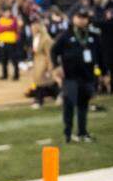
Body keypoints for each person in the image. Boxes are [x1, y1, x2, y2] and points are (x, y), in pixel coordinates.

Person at [51, 9, 102, 143]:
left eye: (84, 17)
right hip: (70, 77)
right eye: (79, 17)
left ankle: (82, 132)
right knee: (68, 106)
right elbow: (53, 51)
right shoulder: (66, 35)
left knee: (83, 106)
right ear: (73, 18)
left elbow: (99, 55)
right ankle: (67, 134)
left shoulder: (92, 35)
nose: (82, 20)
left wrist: (102, 72)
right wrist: (56, 67)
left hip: (87, 76)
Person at [29, 21, 57, 109]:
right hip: (37, 62)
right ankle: (55, 96)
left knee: (43, 82)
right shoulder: (35, 38)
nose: (32, 29)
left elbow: (50, 54)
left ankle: (39, 100)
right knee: (41, 82)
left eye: (34, 27)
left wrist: (50, 66)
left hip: (43, 62)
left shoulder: (46, 39)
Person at [0, 7, 21, 80]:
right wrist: (8, 27)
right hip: (3, 42)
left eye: (8, 12)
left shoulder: (13, 20)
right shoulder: (0, 21)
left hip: (12, 42)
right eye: (6, 12)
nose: (7, 14)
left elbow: (14, 27)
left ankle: (16, 74)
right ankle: (4, 74)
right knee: (3, 60)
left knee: (14, 59)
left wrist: (4, 28)